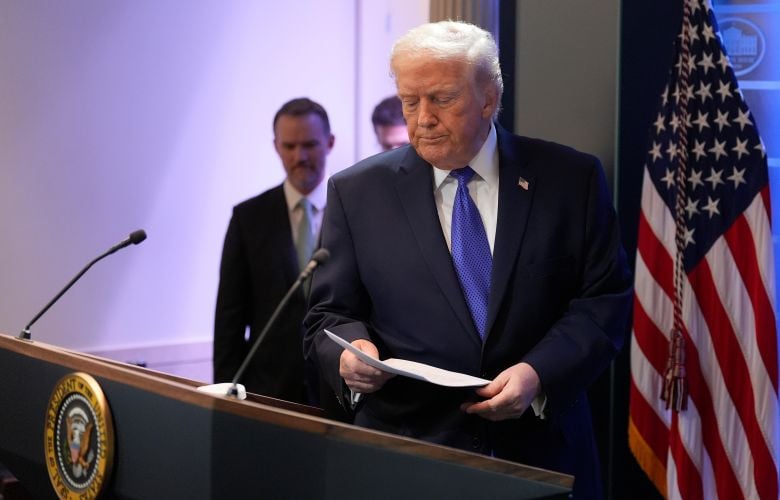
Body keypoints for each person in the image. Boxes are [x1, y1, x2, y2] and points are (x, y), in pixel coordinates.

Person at [303, 21, 631, 499]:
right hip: (407, 461)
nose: (423, 119)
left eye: (441, 99)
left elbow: (603, 303)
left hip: (539, 457)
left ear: (489, 99)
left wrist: (538, 374)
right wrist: (350, 355)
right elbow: (328, 314)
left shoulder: (569, 180)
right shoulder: (357, 192)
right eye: (409, 101)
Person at [213, 97, 333, 406]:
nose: (299, 156)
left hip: (337, 392)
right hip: (267, 392)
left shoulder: (352, 212)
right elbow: (229, 318)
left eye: (309, 145)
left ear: (329, 143)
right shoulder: (248, 218)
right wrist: (225, 397)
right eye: (289, 146)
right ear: (276, 147)